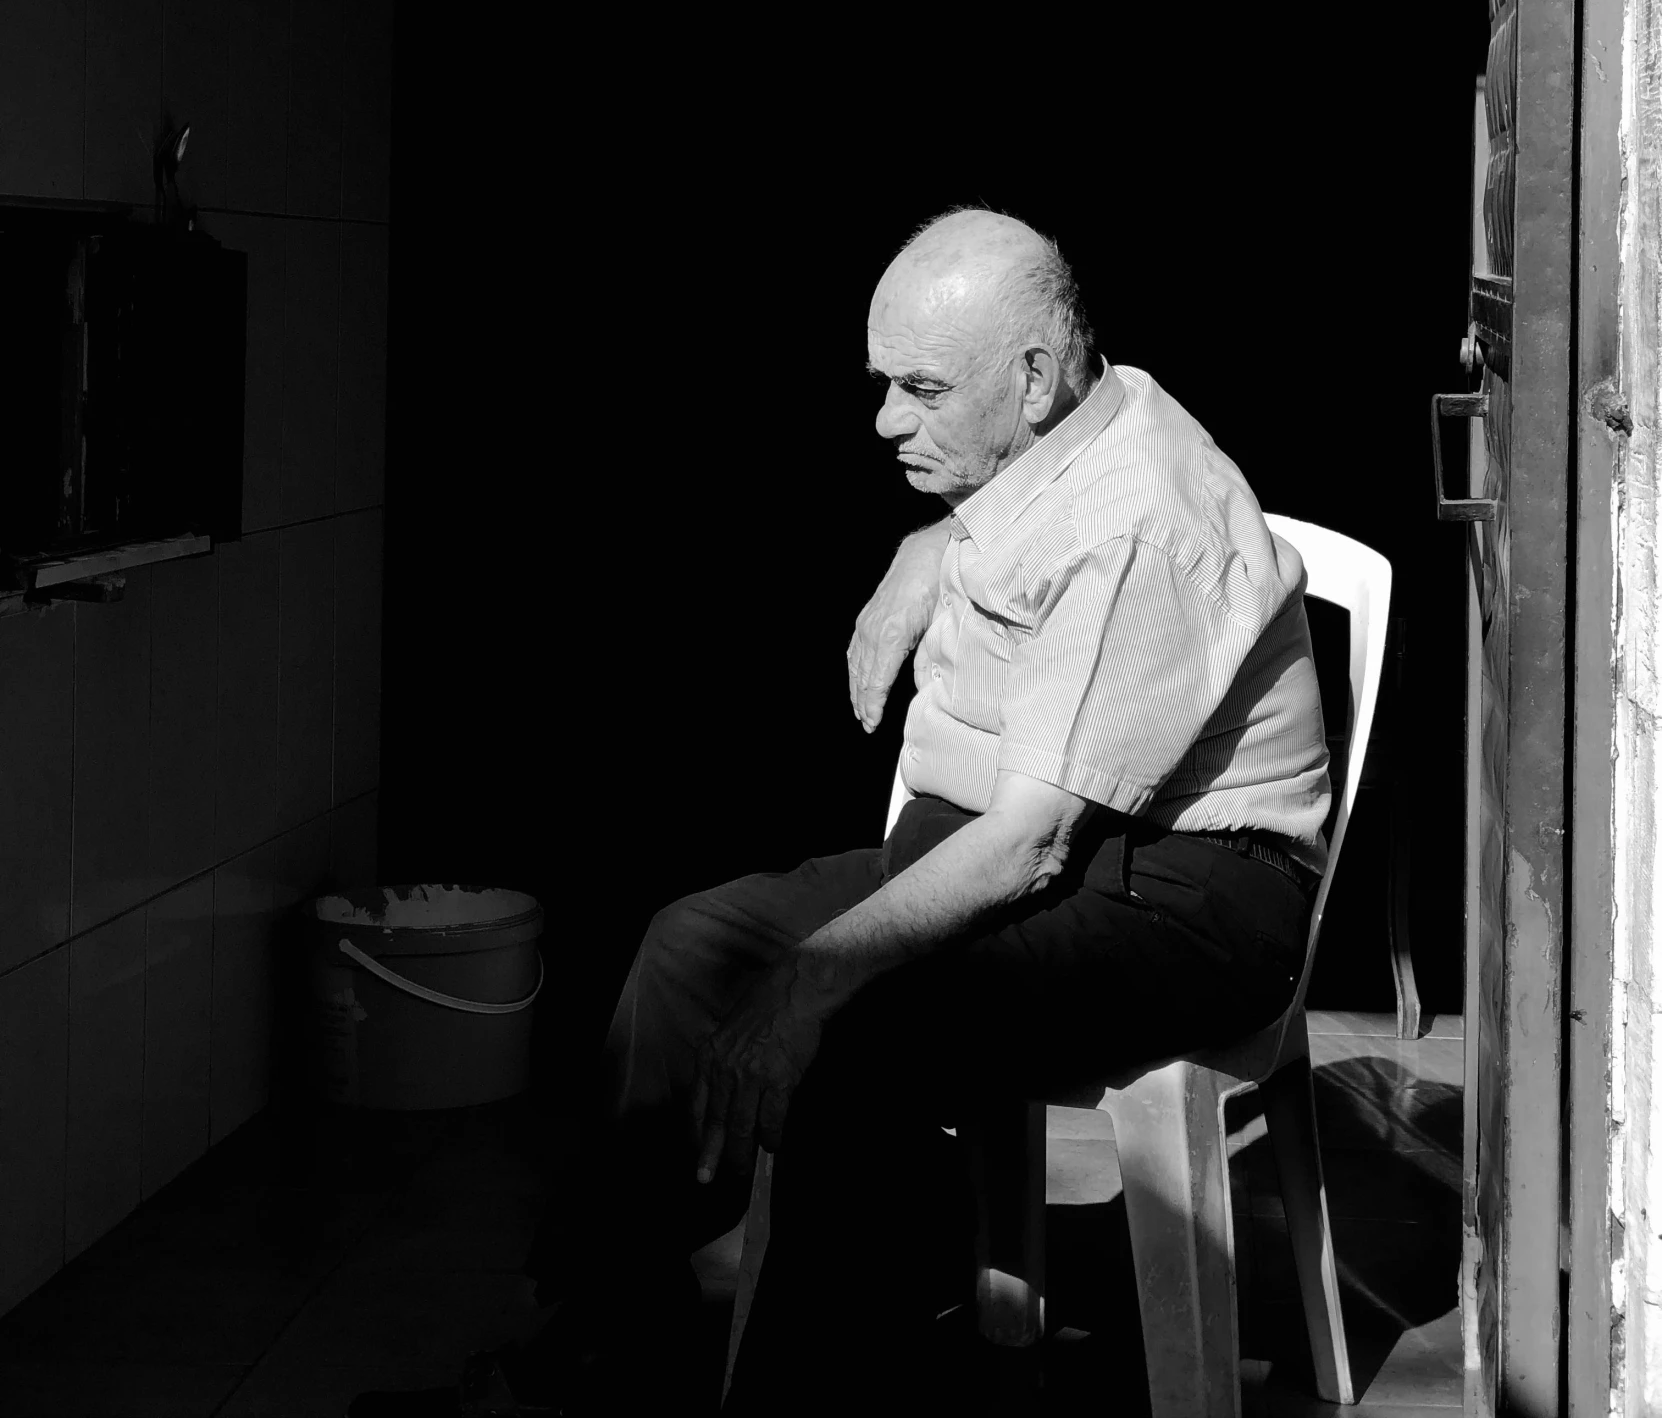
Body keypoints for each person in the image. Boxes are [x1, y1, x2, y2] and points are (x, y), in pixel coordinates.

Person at [354, 207, 1329, 1418]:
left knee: (853, 1030)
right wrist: (934, 543)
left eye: (921, 388)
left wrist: (815, 979)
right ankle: (608, 1337)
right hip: (1036, 846)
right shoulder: (1069, 411)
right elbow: (1032, 528)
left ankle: (798, 1382)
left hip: (1182, 890)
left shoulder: (1139, 520)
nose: (884, 421)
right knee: (692, 947)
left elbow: (1030, 844)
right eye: (885, 384)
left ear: (1032, 375)